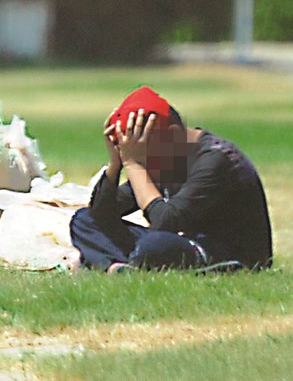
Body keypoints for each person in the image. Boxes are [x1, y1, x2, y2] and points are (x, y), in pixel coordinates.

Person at [70, 85, 272, 272]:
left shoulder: (216, 159)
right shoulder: (163, 156)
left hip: (228, 252)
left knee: (155, 246)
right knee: (84, 220)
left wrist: (134, 164)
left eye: (144, 150)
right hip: (180, 241)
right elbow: (101, 214)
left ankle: (107, 261)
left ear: (173, 135)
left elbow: (167, 221)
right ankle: (118, 267)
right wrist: (116, 164)